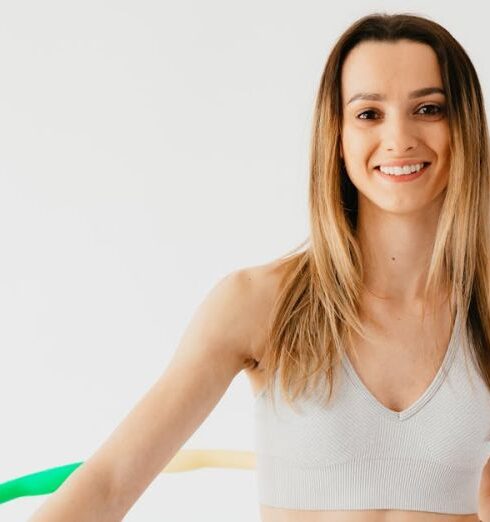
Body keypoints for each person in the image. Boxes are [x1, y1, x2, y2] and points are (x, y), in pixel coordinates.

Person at [28, 11, 490, 522]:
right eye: (369, 113)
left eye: (428, 108)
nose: (399, 138)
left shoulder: (485, 309)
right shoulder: (257, 303)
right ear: (336, 134)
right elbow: (108, 484)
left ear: (464, 125)